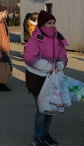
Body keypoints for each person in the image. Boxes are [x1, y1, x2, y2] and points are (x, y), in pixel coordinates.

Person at [24, 10, 68, 146]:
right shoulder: (35, 38)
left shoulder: (58, 38)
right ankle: (38, 137)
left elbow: (63, 56)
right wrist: (48, 67)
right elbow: (29, 57)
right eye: (49, 23)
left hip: (53, 78)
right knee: (42, 109)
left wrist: (59, 66)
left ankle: (45, 134)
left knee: (51, 108)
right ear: (42, 24)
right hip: (37, 78)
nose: (53, 25)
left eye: (54, 23)